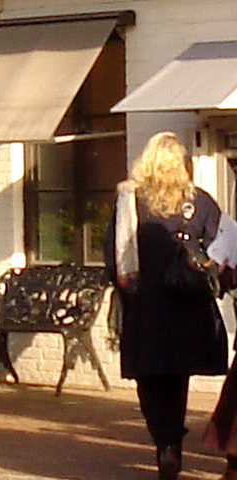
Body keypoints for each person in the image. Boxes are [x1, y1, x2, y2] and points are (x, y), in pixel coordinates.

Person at [104, 131, 228, 480]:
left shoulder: (132, 201)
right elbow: (220, 249)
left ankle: (166, 442)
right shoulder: (200, 202)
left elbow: (113, 253)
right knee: (178, 377)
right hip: (189, 307)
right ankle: (172, 440)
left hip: (147, 306)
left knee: (150, 379)